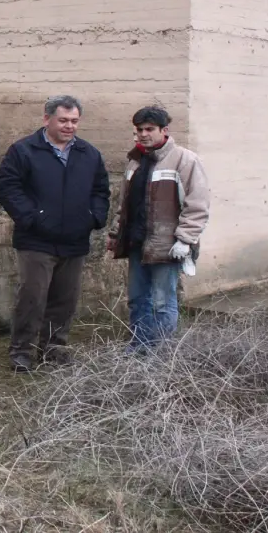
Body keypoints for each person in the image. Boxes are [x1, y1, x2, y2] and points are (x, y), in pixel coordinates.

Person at [0, 95, 110, 372]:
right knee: (32, 298)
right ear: (47, 119)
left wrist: (93, 218)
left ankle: (54, 350)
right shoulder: (24, 150)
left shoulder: (89, 154)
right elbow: (8, 187)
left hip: (74, 239)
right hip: (36, 240)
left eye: (74, 121)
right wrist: (33, 218)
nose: (69, 126)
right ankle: (22, 352)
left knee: (65, 300)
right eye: (63, 120)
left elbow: (100, 190)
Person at [106, 106, 211, 350]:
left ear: (164, 130)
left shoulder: (185, 160)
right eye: (139, 129)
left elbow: (198, 204)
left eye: (149, 129)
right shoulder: (135, 161)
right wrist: (115, 233)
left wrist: (185, 239)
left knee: (162, 302)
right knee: (137, 299)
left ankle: (161, 353)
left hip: (167, 245)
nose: (143, 134)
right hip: (136, 242)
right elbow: (125, 204)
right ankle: (139, 348)